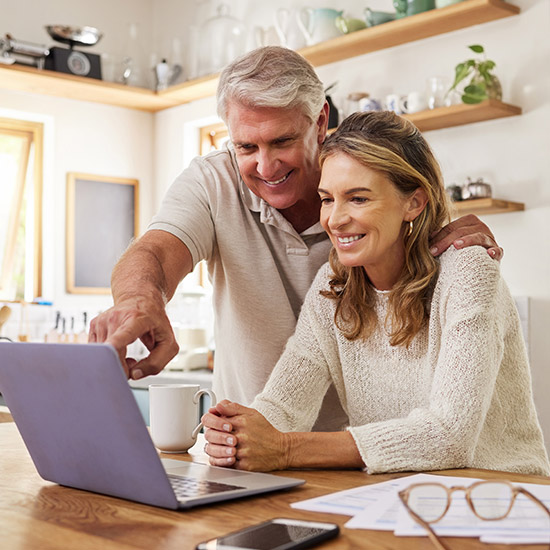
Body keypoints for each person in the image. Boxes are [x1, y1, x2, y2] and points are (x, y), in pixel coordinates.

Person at [89, 46, 503, 432]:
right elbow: (156, 253)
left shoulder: (374, 191)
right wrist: (139, 300)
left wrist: (450, 245)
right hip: (263, 443)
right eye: (246, 146)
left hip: (370, 455)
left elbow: (448, 424)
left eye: (282, 141)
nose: (265, 166)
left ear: (320, 121)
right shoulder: (213, 183)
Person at [202, 111, 550, 476]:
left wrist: (286, 449)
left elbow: (449, 436)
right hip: (396, 498)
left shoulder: (467, 271)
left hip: (501, 500)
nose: (335, 219)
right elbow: (282, 408)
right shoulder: (332, 286)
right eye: (327, 199)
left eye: (358, 198)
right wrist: (237, 432)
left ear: (413, 203)